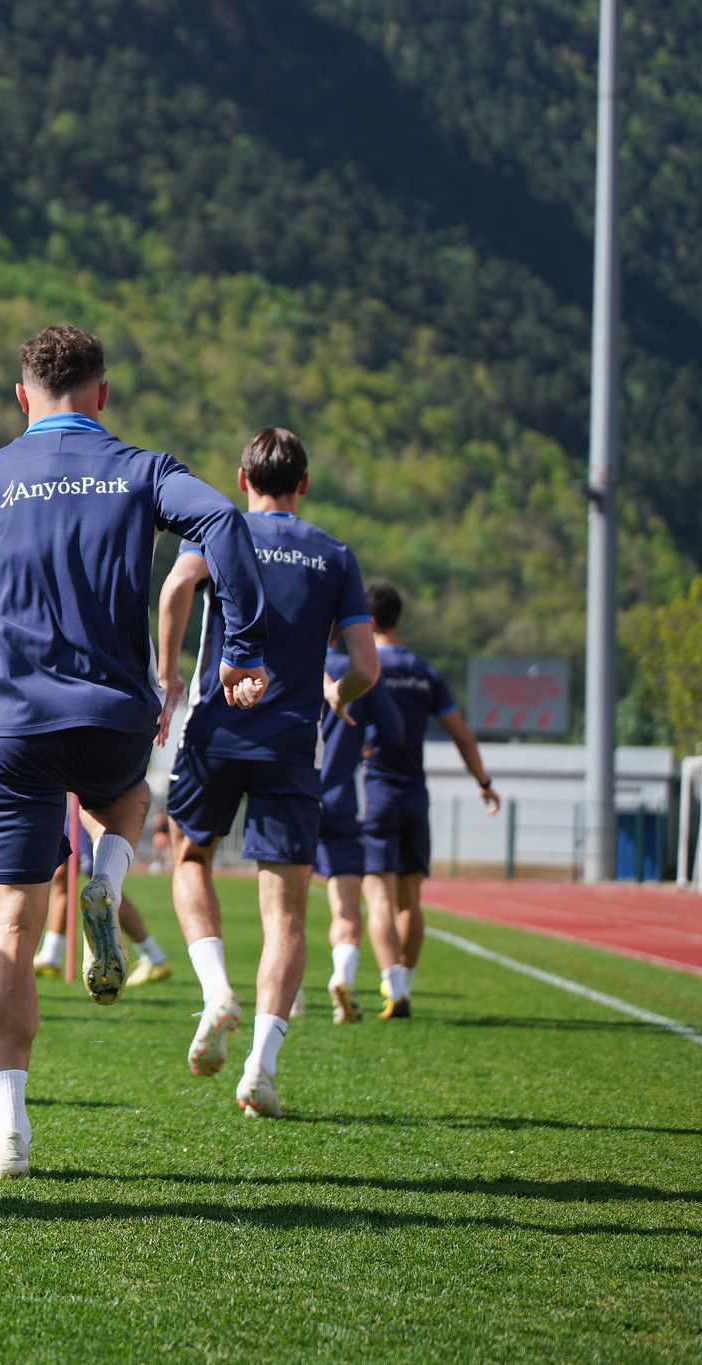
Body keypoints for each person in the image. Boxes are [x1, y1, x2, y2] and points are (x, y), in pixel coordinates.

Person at [0, 325, 267, 1177]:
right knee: (126, 798)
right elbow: (223, 518)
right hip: (112, 716)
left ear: (21, 397)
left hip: (14, 723)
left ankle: (9, 1130)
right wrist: (243, 646)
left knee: (11, 927)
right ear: (101, 394)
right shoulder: (141, 469)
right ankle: (108, 871)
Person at [154, 427, 376, 1118]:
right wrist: (337, 693)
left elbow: (176, 588)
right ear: (303, 485)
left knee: (190, 857)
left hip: (216, 730)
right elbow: (367, 665)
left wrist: (169, 675)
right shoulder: (335, 555)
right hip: (291, 742)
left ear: (242, 480)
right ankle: (260, 1068)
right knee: (286, 914)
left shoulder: (221, 530)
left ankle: (216, 988)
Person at [359, 582, 499, 1019]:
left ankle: (393, 986)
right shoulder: (425, 672)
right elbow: (462, 734)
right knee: (410, 900)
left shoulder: (364, 668)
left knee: (378, 897)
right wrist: (483, 781)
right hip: (414, 795)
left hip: (375, 792)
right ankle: (406, 981)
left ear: (368, 621)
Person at [314, 645, 405, 1024]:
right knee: (346, 904)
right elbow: (394, 731)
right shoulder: (360, 669)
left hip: (290, 795)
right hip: (340, 800)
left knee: (281, 906)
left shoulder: (290, 657)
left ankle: (290, 995)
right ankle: (342, 976)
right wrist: (364, 734)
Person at [31, 823, 173, 988]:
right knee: (62, 872)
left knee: (101, 884)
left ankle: (154, 956)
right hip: (68, 812)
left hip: (86, 814)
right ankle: (50, 954)